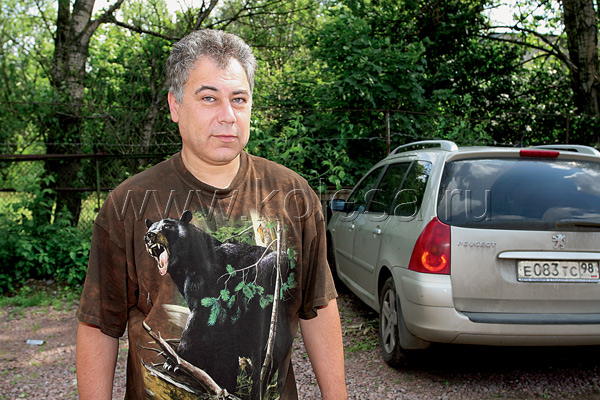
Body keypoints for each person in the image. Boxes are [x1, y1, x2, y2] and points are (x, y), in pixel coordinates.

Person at [75, 29, 347, 400]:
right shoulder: (128, 203)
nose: (228, 116)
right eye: (209, 98)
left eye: (239, 99)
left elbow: (319, 308)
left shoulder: (293, 196)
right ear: (175, 106)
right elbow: (99, 325)